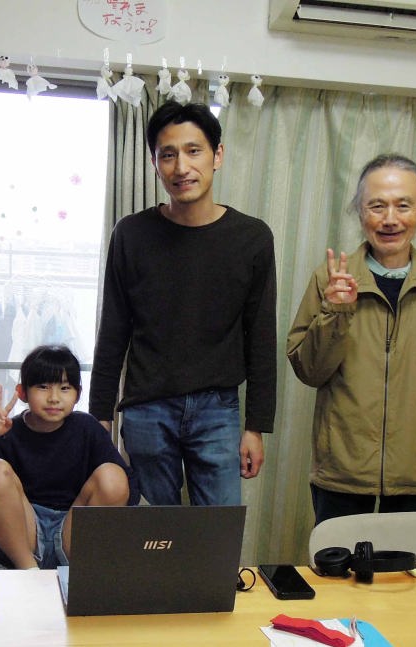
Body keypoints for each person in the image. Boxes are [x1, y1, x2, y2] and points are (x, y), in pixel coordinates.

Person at [89, 101, 277, 507]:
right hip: (146, 408)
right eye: (168, 155)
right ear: (155, 163)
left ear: (217, 155)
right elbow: (113, 331)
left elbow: (261, 336)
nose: (181, 167)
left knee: (218, 532)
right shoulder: (131, 234)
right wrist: (99, 418)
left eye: (194, 151)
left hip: (218, 409)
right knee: (154, 534)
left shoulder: (252, 238)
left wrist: (256, 426)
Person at [286, 153, 416, 525]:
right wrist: (336, 312)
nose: (390, 219)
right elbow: (309, 371)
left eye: (403, 206)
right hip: (343, 470)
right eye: (377, 206)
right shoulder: (331, 280)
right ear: (359, 212)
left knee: (405, 563)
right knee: (339, 561)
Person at [0, 344, 139, 569]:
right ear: (22, 392)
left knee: (113, 476)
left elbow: (130, 491)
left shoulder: (88, 429)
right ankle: (30, 572)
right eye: (43, 387)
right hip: (23, 538)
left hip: (75, 538)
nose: (54, 398)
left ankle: (80, 572)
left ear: (77, 394)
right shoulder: (6, 432)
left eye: (65, 388)